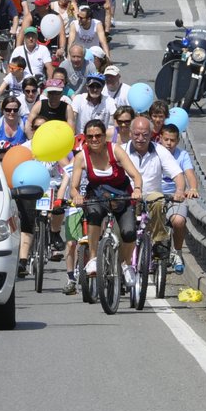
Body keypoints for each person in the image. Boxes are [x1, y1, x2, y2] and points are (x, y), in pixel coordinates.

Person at [61, 118, 143, 295]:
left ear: (104, 136)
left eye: (98, 135)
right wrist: (77, 196)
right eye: (90, 137)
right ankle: (92, 258)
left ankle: (127, 264)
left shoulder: (116, 151)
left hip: (121, 196)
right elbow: (73, 187)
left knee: (129, 232)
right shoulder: (81, 156)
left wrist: (137, 189)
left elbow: (135, 175)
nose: (94, 140)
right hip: (97, 196)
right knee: (93, 214)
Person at [121, 116, 188, 287]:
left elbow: (178, 174)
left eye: (144, 135)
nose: (140, 139)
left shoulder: (160, 151)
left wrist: (179, 190)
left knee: (158, 201)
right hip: (127, 197)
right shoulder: (121, 151)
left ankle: (159, 242)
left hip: (150, 195)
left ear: (151, 134)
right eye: (136, 134)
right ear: (130, 133)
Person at [157, 122, 200, 272]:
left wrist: (192, 188)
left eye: (172, 140)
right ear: (160, 138)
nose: (169, 143)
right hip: (155, 195)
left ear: (177, 141)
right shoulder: (153, 152)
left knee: (179, 221)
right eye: (166, 139)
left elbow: (189, 174)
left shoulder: (182, 155)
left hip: (175, 195)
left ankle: (177, 252)